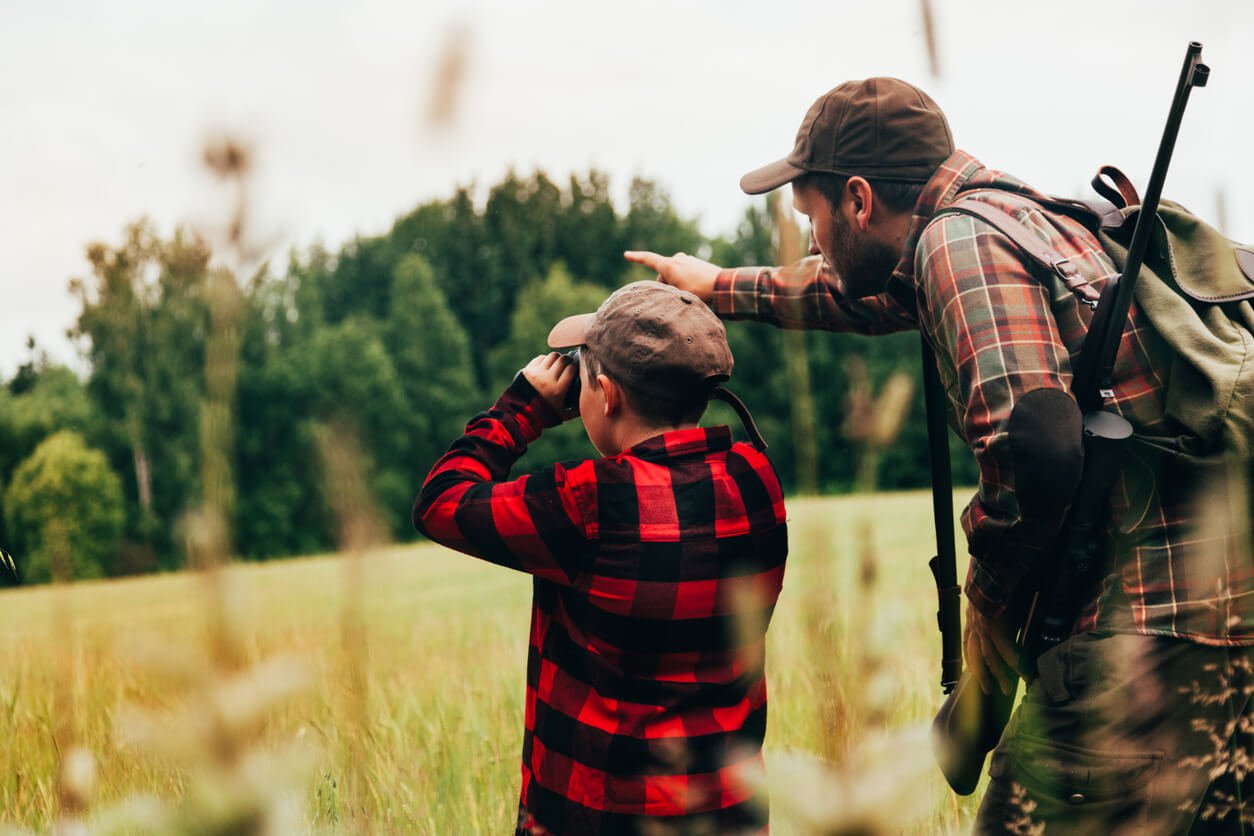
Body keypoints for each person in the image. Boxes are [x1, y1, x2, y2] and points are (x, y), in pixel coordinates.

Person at [626, 77, 1252, 834]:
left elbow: (1039, 458)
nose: (814, 239)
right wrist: (718, 286)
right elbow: (853, 293)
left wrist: (985, 634)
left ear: (858, 199)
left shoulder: (959, 247)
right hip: (1220, 641)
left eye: (813, 217)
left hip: (1140, 655)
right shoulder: (1015, 217)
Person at [413, 280, 788, 835]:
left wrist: (522, 411)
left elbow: (440, 502)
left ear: (607, 395)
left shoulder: (588, 503)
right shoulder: (756, 478)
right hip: (729, 816)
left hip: (600, 819)